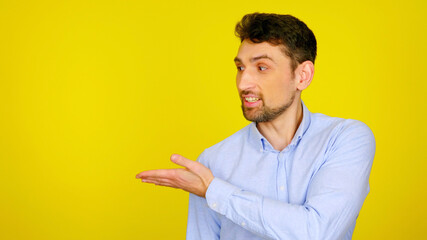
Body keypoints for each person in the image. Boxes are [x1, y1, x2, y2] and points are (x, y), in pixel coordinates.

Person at [135, 13, 375, 240]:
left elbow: (316, 232)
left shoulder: (344, 138)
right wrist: (210, 187)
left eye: (261, 67)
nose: (243, 83)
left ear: (303, 76)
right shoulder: (211, 163)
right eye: (240, 68)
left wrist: (215, 191)